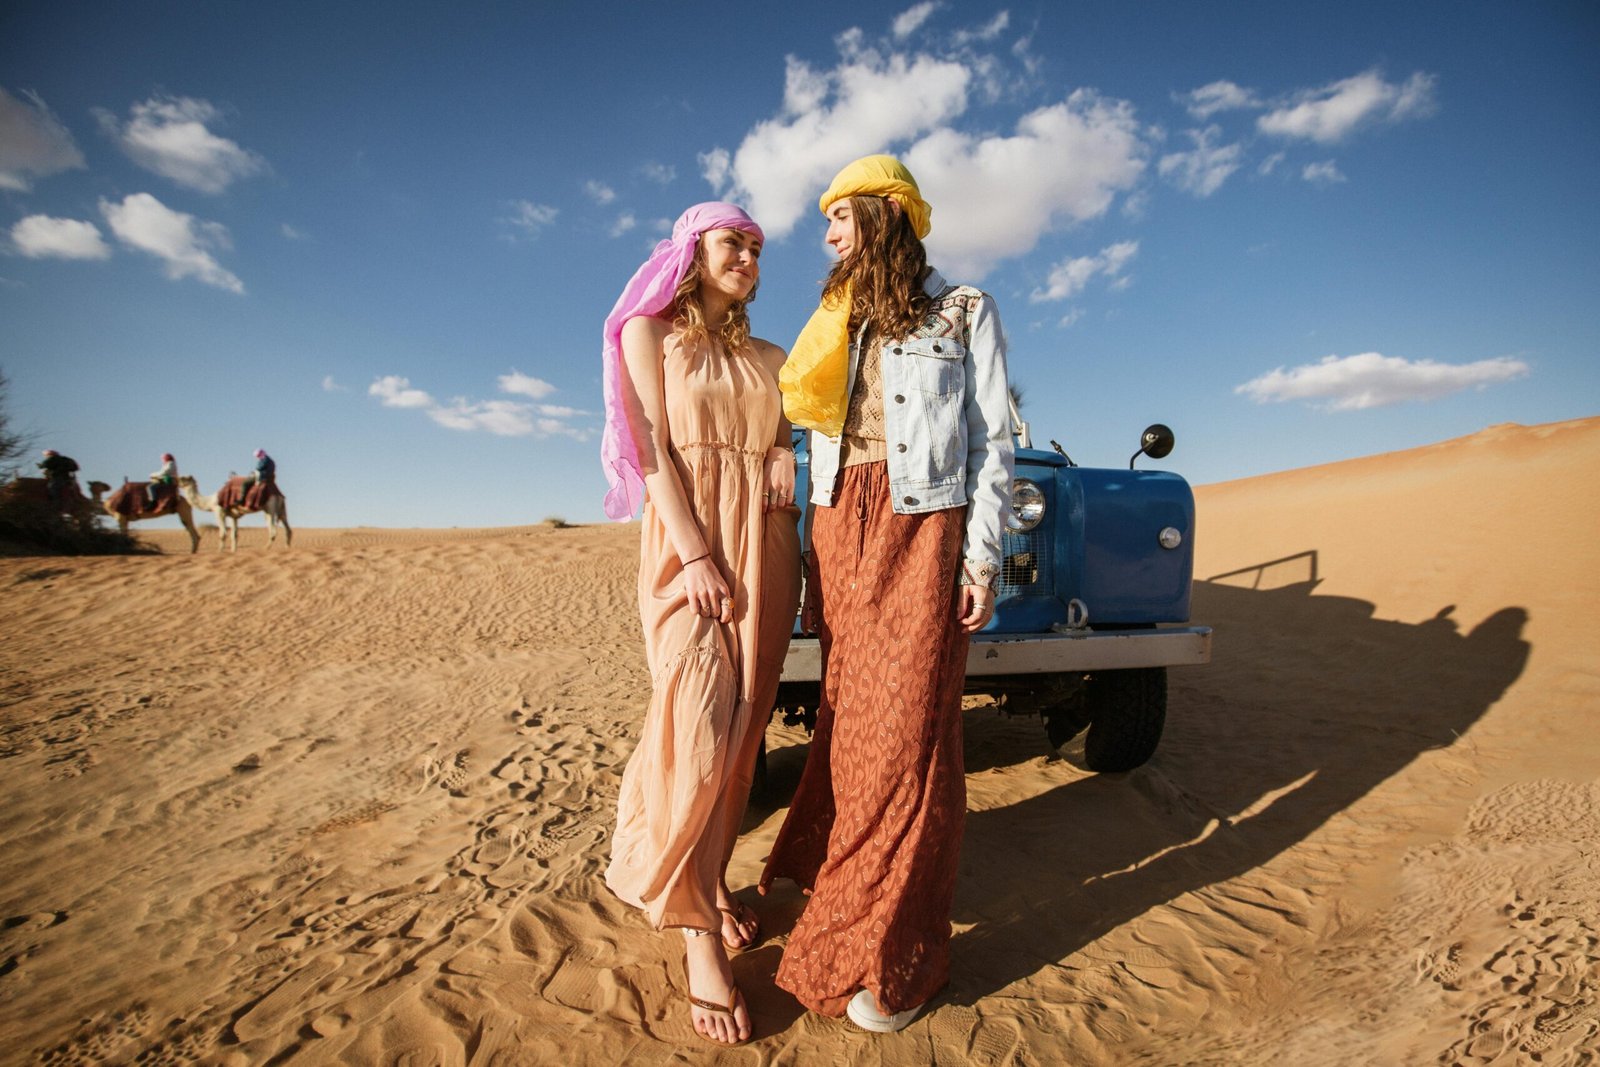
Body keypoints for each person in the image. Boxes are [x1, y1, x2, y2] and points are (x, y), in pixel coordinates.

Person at [760, 155, 1014, 1032]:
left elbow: (991, 443)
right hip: (841, 530)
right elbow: (809, 448)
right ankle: (853, 904)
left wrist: (980, 561)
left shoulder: (963, 309)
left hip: (922, 528)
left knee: (910, 739)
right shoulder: (836, 316)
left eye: (839, 215)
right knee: (852, 726)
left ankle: (899, 956)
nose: (827, 234)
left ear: (885, 213)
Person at [601, 202, 801, 1045]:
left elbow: (791, 434)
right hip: (691, 543)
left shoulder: (772, 356)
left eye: (756, 248)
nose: (748, 258)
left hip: (770, 540)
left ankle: (712, 880)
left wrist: (790, 448)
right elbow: (648, 449)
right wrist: (693, 555)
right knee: (696, 721)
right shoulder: (648, 335)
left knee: (748, 725)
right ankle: (697, 932)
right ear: (693, 249)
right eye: (733, 243)